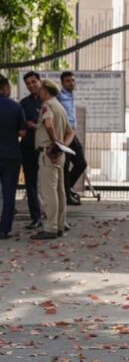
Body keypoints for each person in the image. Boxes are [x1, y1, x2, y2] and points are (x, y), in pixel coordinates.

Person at [30, 80, 73, 241]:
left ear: (46, 91)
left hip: (48, 153)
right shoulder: (60, 107)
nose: (38, 92)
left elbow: (48, 124)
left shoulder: (47, 105)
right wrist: (62, 145)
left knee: (49, 192)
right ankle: (60, 225)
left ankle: (50, 228)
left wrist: (55, 142)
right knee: (60, 192)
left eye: (40, 89)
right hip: (59, 154)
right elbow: (70, 132)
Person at [0, 75, 26, 240]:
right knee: (9, 194)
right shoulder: (16, 107)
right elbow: (22, 132)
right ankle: (5, 229)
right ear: (4, 88)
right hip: (11, 155)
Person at [57, 71, 87, 205]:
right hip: (63, 135)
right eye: (68, 80)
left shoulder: (71, 96)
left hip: (72, 134)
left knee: (81, 163)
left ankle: (66, 190)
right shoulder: (59, 96)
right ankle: (66, 196)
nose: (71, 83)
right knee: (65, 165)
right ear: (62, 83)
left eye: (73, 80)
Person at [19, 72, 43, 230]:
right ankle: (36, 217)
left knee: (50, 184)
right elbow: (20, 124)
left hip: (46, 147)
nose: (31, 85)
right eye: (28, 83)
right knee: (31, 184)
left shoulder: (49, 100)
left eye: (33, 81)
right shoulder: (23, 103)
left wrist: (36, 125)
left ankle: (56, 217)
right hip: (28, 147)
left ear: (39, 82)